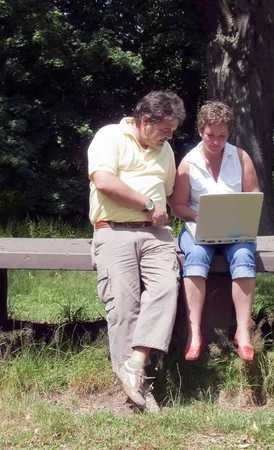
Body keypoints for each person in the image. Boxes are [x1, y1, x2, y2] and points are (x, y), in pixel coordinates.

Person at [87, 91, 185, 411]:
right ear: (145, 122)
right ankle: (136, 392)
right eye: (165, 130)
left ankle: (135, 365)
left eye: (172, 131)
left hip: (156, 236)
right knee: (123, 308)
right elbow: (103, 181)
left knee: (166, 288)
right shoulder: (109, 137)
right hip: (113, 231)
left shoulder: (166, 150)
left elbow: (169, 192)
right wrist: (146, 205)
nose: (169, 136)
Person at [170, 101, 260, 362]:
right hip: (198, 226)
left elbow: (254, 195)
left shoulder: (241, 157)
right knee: (196, 255)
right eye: (211, 135)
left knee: (244, 256)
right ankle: (194, 332)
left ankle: (243, 331)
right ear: (200, 130)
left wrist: (237, 209)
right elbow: (177, 206)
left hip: (234, 227)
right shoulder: (188, 163)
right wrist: (201, 214)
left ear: (229, 134)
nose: (216, 141)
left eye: (222, 136)